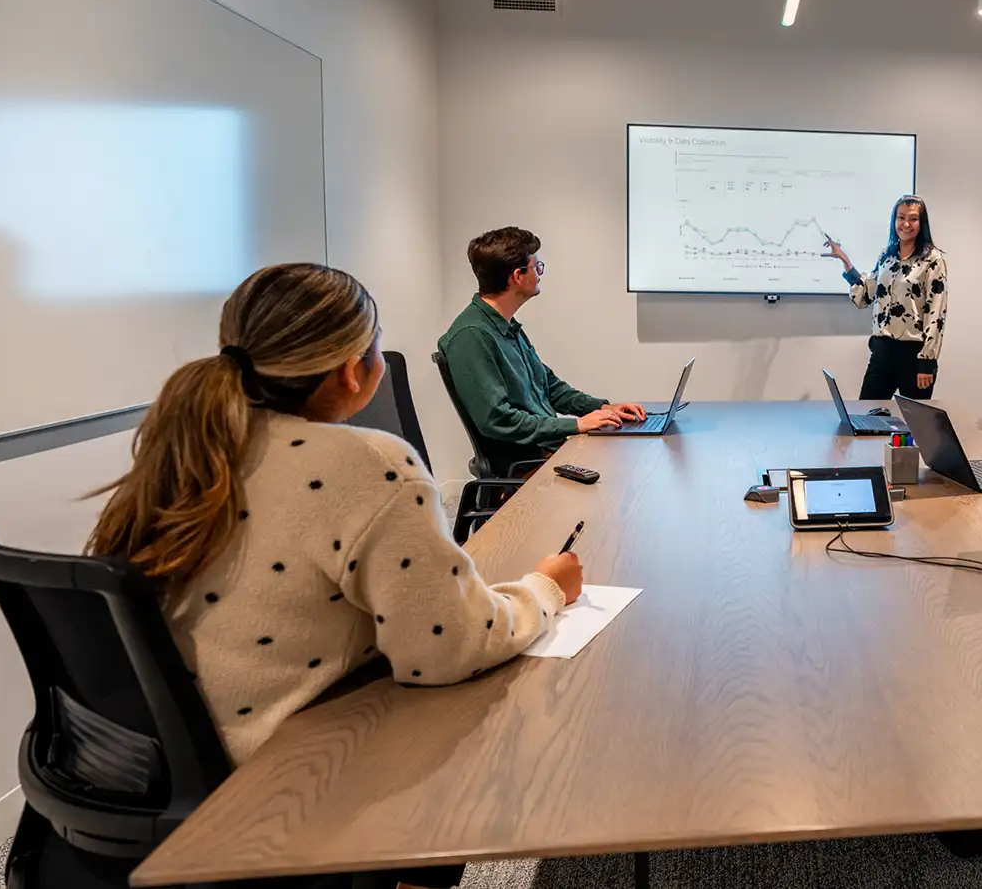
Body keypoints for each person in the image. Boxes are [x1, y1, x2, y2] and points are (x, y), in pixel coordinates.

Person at [86, 263, 584, 889]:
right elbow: (448, 647)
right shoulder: (369, 463)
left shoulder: (180, 450)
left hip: (171, 769)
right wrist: (544, 588)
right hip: (284, 782)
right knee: (480, 704)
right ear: (355, 371)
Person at [439, 227, 646, 469]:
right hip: (529, 463)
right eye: (537, 268)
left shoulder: (505, 325)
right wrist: (576, 425)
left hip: (548, 450)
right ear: (518, 276)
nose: (540, 274)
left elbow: (549, 387)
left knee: (627, 458)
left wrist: (603, 408)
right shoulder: (471, 336)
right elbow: (497, 419)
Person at [821, 196, 948, 400]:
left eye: (913, 219)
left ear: (922, 223)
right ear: (893, 221)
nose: (906, 224)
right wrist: (846, 262)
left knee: (915, 424)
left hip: (914, 356)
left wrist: (927, 361)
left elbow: (936, 314)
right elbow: (866, 295)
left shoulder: (932, 259)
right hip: (882, 352)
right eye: (901, 217)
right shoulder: (886, 256)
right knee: (867, 417)